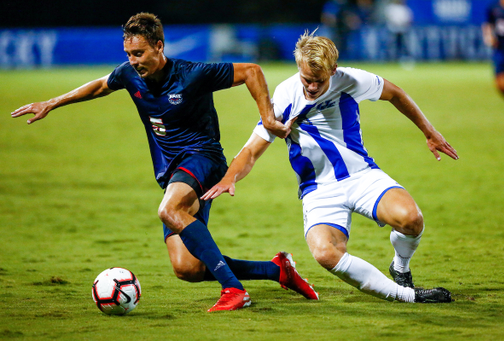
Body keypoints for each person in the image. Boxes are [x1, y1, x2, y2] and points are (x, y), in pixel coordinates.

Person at [10, 13, 318, 312]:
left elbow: (251, 71)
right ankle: (277, 270)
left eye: (140, 53)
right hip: (173, 172)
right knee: (188, 268)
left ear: (159, 45)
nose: (134, 61)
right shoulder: (129, 74)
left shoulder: (192, 74)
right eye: (129, 54)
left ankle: (234, 290)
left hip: (203, 159)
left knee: (170, 210)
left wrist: (267, 118)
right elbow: (100, 86)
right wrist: (52, 102)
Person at [203, 31, 459, 303]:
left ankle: (400, 267)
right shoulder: (285, 97)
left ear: (333, 70)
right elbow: (252, 150)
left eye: (319, 81)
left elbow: (395, 93)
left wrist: (429, 132)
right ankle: (406, 295)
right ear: (298, 68)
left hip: (361, 175)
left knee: (412, 219)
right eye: (306, 80)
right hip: (318, 190)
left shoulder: (351, 79)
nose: (311, 87)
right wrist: (229, 177)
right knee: (325, 253)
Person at [482, 0, 504, 112]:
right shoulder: (494, 8)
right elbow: (488, 25)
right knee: (501, 85)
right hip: (501, 50)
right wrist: (488, 36)